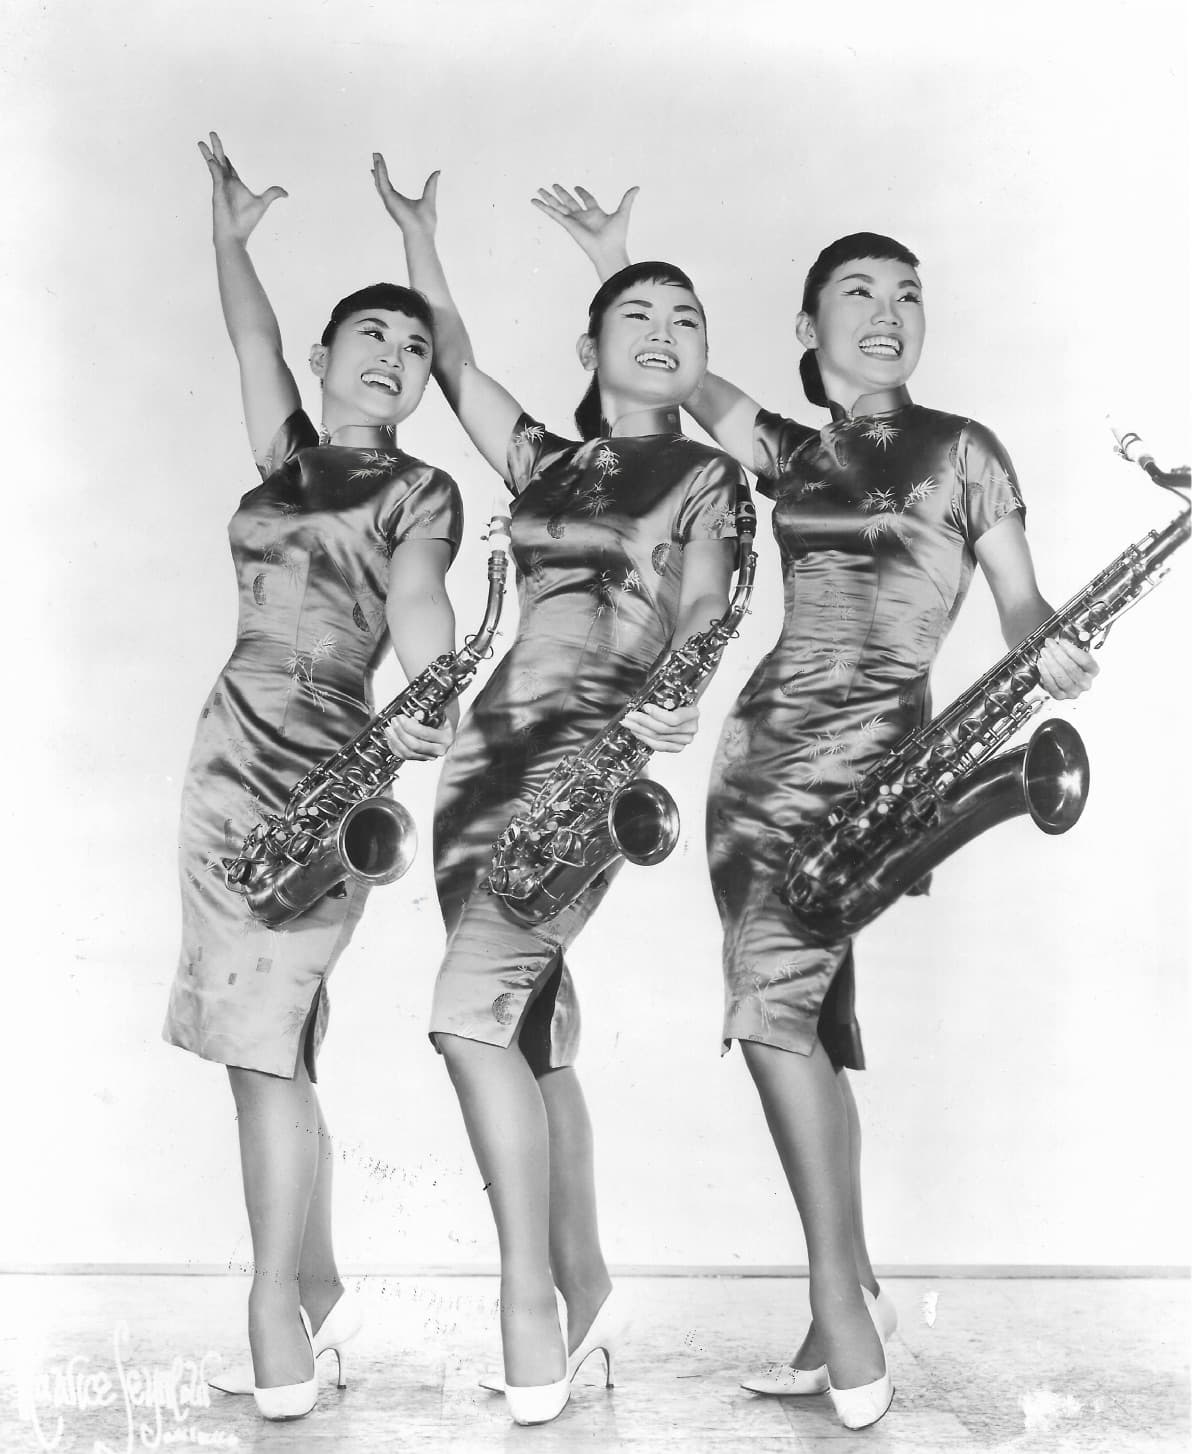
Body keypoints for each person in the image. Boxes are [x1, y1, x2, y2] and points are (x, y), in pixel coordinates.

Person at [534, 184, 1098, 1431]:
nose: (888, 311)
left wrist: (1048, 645)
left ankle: (845, 1312)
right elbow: (688, 387)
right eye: (860, 291)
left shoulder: (965, 450)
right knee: (804, 1012)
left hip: (887, 759)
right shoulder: (793, 451)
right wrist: (621, 262)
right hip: (760, 756)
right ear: (810, 325)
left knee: (776, 1006)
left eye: (907, 293)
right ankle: (846, 1298)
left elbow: (1015, 601)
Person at [371, 156, 749, 1426]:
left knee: (466, 1015)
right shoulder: (543, 462)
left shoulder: (708, 479)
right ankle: (585, 1292)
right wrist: (424, 242)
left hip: (593, 759)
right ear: (589, 344)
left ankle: (525, 1300)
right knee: (523, 1026)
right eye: (637, 315)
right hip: (484, 762)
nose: (663, 333)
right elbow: (461, 368)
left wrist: (679, 696)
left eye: (686, 319)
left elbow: (709, 610)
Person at [162, 134, 464, 1421]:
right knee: (273, 1042)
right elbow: (250, 344)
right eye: (370, 340)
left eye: (412, 345)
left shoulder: (419, 487)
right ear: (331, 359)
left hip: (322, 772)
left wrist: (423, 702)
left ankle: (272, 1320)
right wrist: (230, 242)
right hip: (224, 753)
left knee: (264, 1050)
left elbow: (421, 615)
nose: (392, 358)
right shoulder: (288, 457)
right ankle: (317, 1299)